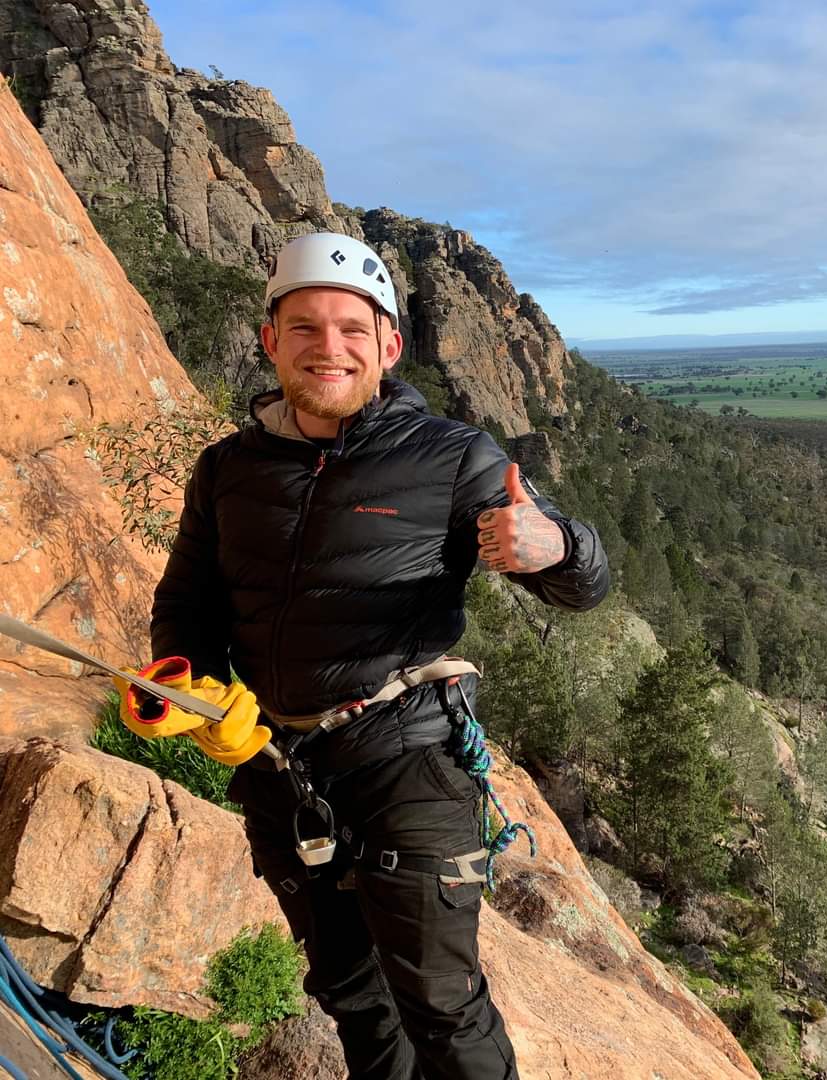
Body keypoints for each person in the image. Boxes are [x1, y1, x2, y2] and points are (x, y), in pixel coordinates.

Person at [115, 232, 610, 1079]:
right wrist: (184, 687)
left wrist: (556, 547)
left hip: (405, 756)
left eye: (351, 328)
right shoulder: (227, 471)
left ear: (389, 344)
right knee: (349, 991)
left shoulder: (455, 459)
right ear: (271, 341)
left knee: (442, 1005)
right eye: (304, 327)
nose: (328, 347)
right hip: (277, 762)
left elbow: (585, 585)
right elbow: (187, 605)